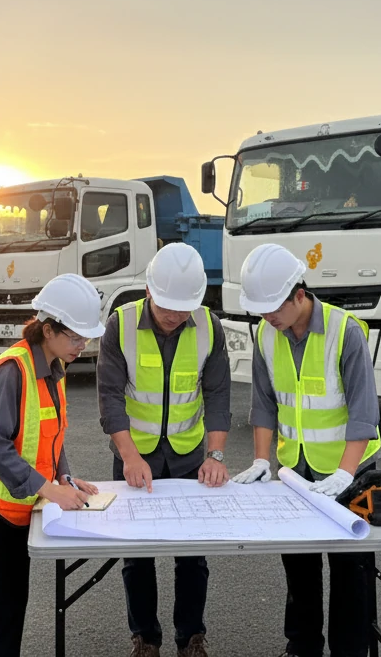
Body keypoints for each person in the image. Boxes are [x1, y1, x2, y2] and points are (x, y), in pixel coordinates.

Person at [231, 243, 381, 657]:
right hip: (295, 472)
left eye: (272, 308)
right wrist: (263, 459)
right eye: (260, 310)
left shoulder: (344, 331)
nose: (266, 317)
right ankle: (302, 648)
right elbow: (263, 402)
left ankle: (351, 652)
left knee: (350, 570)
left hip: (348, 470)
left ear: (299, 295)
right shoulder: (267, 334)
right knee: (298, 567)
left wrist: (346, 473)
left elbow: (363, 412)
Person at [0, 273, 106, 657]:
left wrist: (64, 477)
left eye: (86, 338)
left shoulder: (53, 367)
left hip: (15, 504)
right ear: (48, 329)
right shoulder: (12, 369)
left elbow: (51, 434)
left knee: (13, 603)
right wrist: (50, 490)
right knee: (0, 611)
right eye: (75, 337)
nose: (82, 346)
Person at [97, 243, 232, 657]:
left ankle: (191, 636)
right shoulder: (120, 325)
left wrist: (216, 455)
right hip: (135, 456)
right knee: (137, 555)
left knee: (193, 553)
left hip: (190, 457)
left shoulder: (209, 327)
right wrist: (129, 456)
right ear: (150, 292)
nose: (175, 317)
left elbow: (218, 395)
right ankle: (146, 638)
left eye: (183, 308)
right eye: (167, 307)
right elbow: (110, 397)